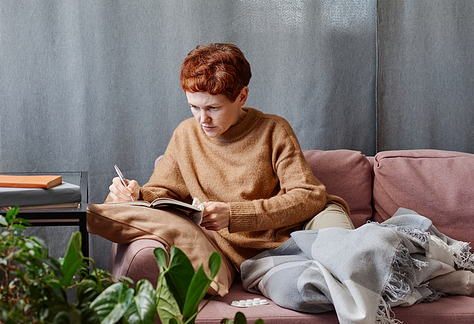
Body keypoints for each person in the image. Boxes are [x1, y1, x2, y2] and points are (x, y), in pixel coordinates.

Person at [107, 42, 352, 275]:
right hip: (252, 253)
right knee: (309, 286)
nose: (202, 119)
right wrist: (137, 193)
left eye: (213, 108)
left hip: (306, 224)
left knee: (351, 257)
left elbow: (310, 196)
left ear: (241, 97)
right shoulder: (185, 135)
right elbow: (163, 192)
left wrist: (234, 215)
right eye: (194, 107)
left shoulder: (274, 129)